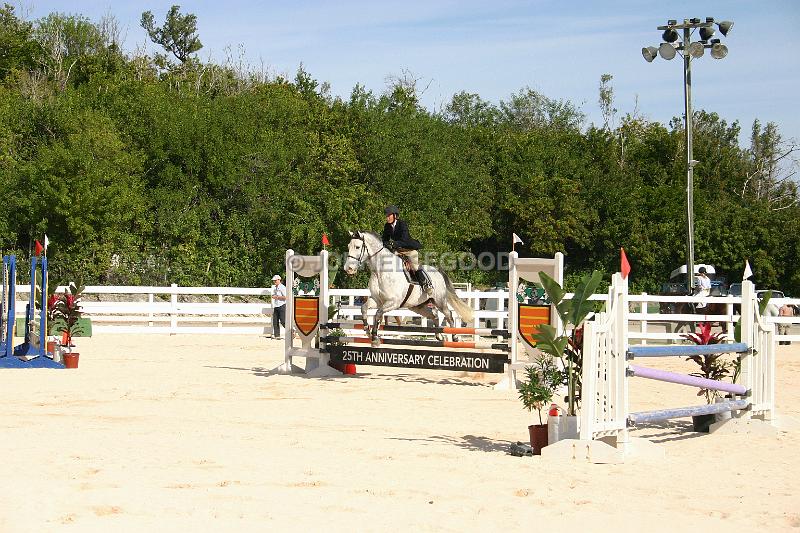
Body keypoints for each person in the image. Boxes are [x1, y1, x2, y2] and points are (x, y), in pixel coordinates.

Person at [381, 205, 433, 294]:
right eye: (386, 216)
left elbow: (404, 239)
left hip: (408, 249)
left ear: (395, 216)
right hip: (397, 251)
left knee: (415, 266)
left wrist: (393, 244)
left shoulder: (402, 224)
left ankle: (427, 284)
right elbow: (384, 240)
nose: (387, 217)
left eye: (389, 215)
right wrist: (386, 245)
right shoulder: (387, 226)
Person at [271, 274, 287, 339]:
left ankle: (292, 331)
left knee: (283, 321)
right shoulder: (275, 288)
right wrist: (274, 296)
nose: (274, 281)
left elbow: (285, 297)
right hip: (276, 305)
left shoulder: (282, 287)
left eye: (275, 280)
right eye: (274, 280)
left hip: (282, 305)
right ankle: (277, 335)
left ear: (279, 280)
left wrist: (277, 297)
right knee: (275, 321)